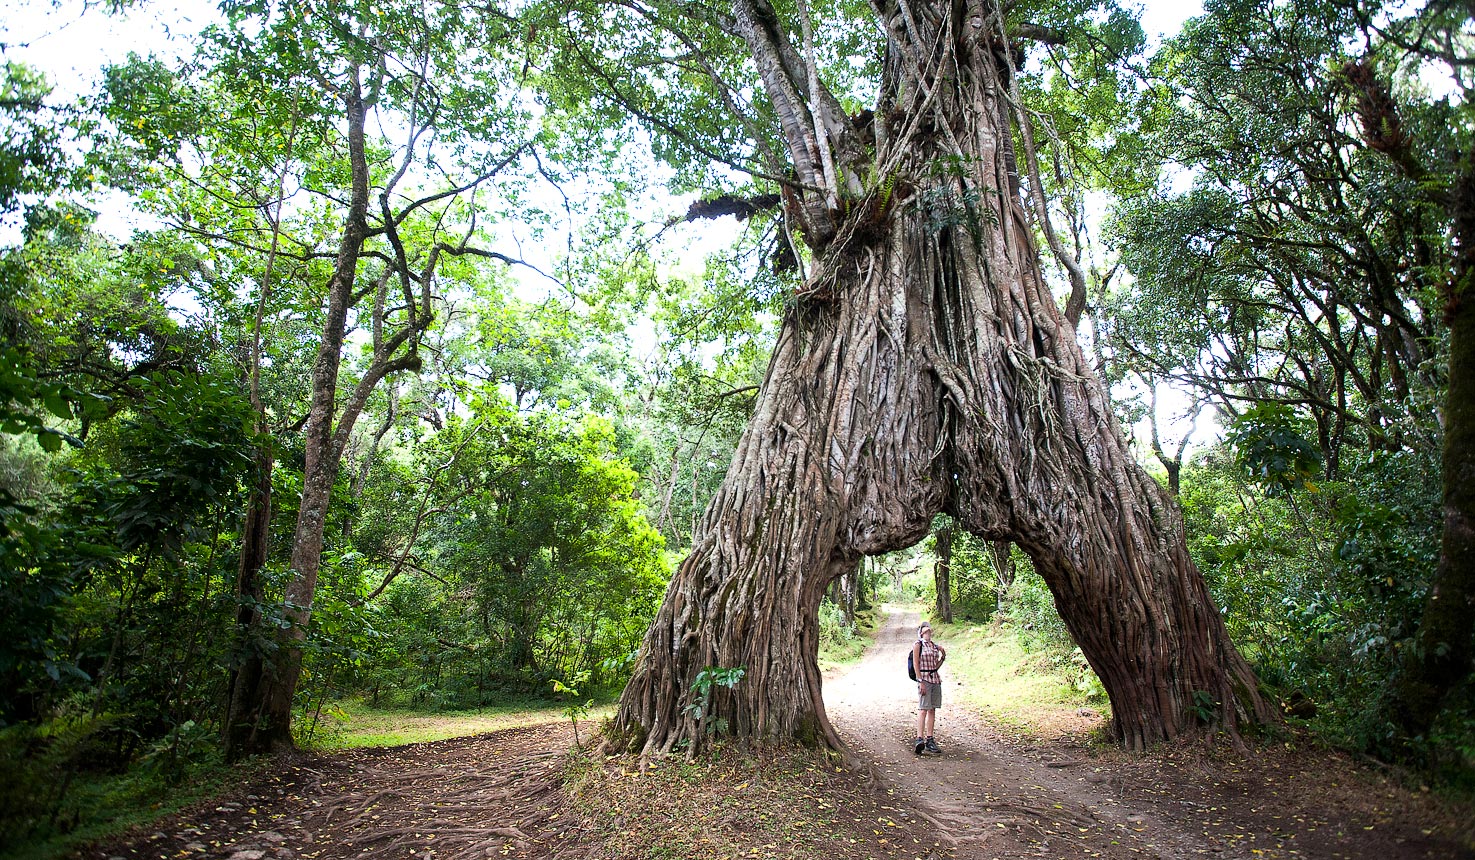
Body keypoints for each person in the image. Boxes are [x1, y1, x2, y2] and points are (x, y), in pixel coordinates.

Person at [912, 621, 946, 754]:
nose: (928, 633)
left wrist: (942, 658)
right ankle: (919, 738)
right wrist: (920, 681)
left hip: (934, 678)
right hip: (924, 679)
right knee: (923, 709)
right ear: (921, 633)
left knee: (932, 709)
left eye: (929, 631)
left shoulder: (934, 646)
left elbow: (934, 666)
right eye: (925, 631)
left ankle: (930, 739)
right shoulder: (917, 645)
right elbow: (916, 664)